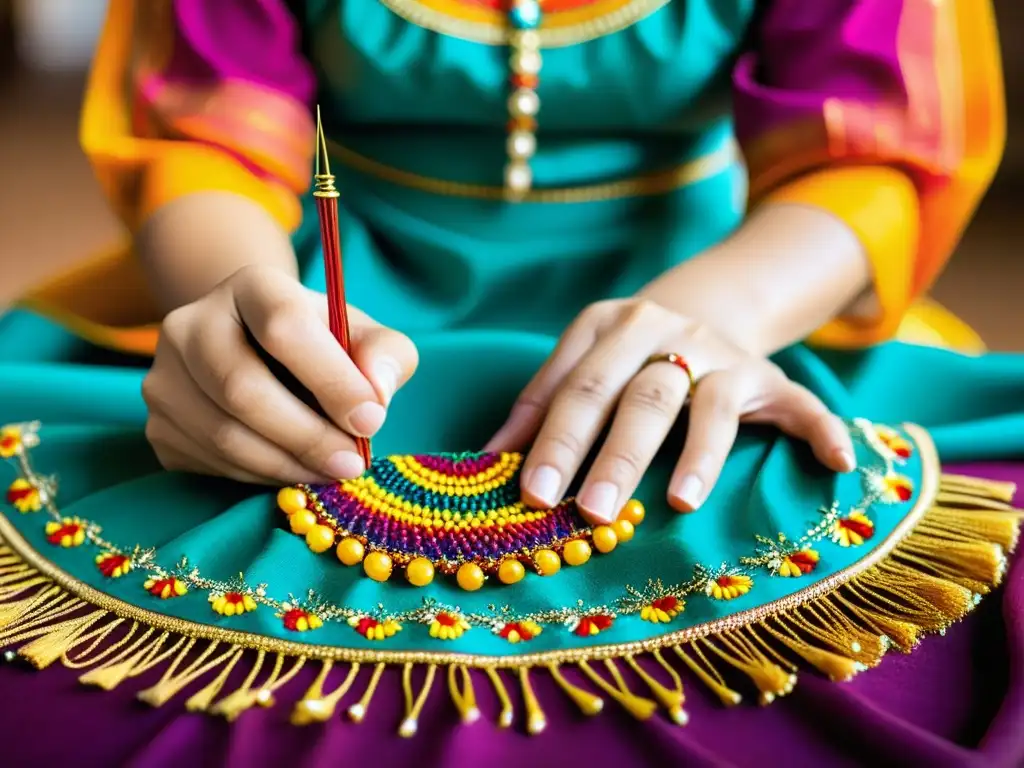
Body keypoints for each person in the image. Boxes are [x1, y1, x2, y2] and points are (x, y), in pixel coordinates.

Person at [0, 0, 1021, 765]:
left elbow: (874, 146)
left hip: (736, 290)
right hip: (306, 289)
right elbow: (203, 130)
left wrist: (721, 317)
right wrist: (234, 306)